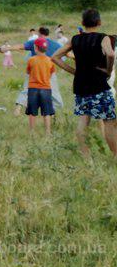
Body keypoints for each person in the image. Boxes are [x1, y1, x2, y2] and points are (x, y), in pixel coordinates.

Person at [52, 9, 117, 157]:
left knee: (83, 120)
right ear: (99, 22)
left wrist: (74, 71)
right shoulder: (103, 38)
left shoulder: (75, 39)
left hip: (81, 86)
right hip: (99, 85)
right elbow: (111, 54)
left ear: (82, 23)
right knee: (109, 121)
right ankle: (115, 155)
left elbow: (55, 57)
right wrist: (107, 69)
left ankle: (85, 155)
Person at [6, 27, 63, 116]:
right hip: (48, 71)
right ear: (48, 34)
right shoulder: (55, 44)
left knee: (26, 89)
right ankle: (53, 112)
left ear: (40, 34)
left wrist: (7, 48)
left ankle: (18, 108)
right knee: (54, 91)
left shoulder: (35, 42)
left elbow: (20, 46)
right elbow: (68, 54)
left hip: (34, 70)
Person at [25, 37, 56, 135]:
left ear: (35, 47)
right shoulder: (50, 60)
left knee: (32, 112)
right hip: (46, 89)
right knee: (47, 112)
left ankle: (32, 131)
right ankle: (48, 132)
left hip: (33, 89)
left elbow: (28, 72)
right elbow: (51, 74)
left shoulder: (31, 60)